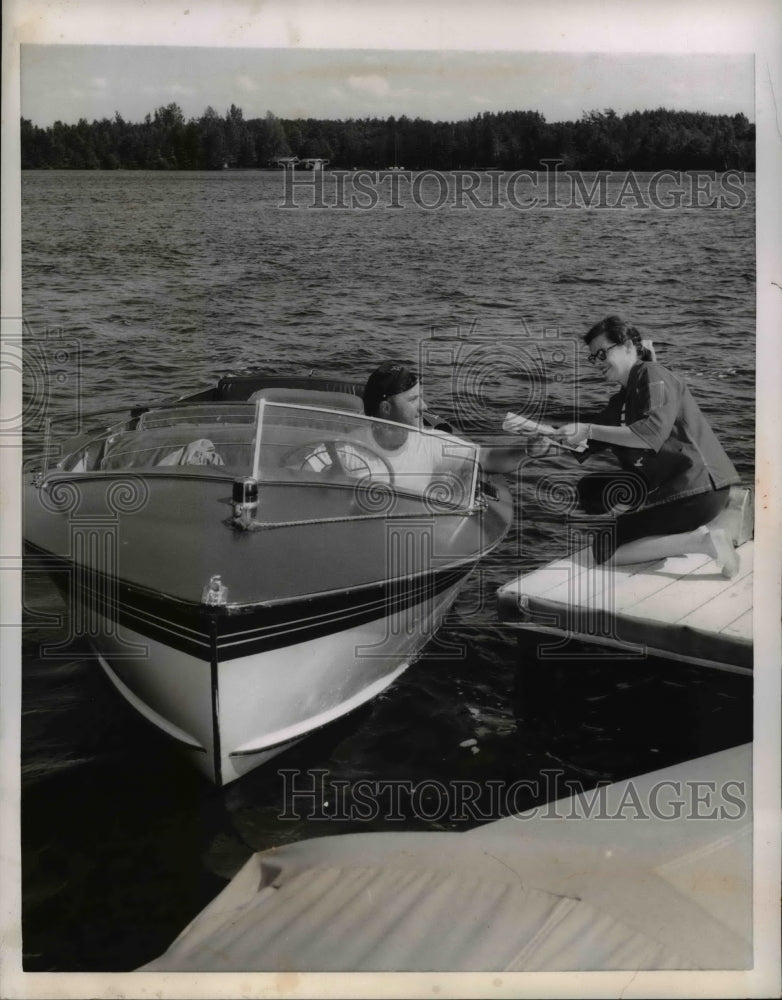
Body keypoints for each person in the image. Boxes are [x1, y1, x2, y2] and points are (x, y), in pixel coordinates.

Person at [546, 315, 740, 577]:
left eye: (602, 354)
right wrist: (547, 441)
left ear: (627, 346)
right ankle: (689, 535)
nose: (597, 363)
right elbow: (585, 441)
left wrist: (587, 429)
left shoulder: (653, 374)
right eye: (593, 358)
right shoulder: (622, 400)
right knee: (589, 491)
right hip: (686, 494)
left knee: (605, 547)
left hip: (698, 492)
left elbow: (650, 434)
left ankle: (703, 543)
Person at [360, 361, 530, 498]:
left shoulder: (430, 443)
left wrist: (530, 450)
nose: (424, 406)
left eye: (421, 398)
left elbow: (486, 458)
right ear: (386, 408)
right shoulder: (347, 450)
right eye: (413, 400)